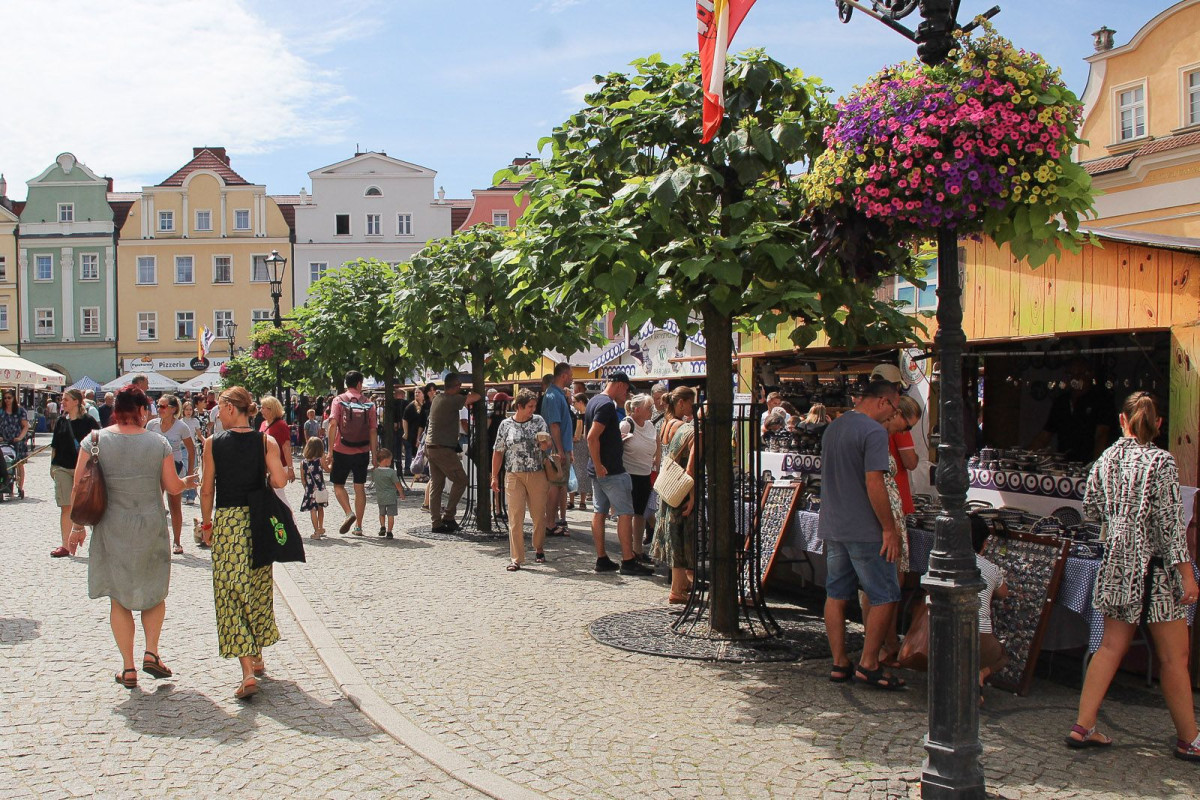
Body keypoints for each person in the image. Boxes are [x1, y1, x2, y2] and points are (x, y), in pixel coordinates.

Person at [1066, 392, 1200, 761]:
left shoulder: (1105, 458)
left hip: (1117, 565)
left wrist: (1120, 521)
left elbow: (1090, 510)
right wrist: (1188, 577)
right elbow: (1172, 528)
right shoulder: (1162, 462)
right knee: (1175, 657)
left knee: (1109, 647)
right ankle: (1188, 738)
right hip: (1154, 572)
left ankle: (1083, 724)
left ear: (1122, 421)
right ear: (1158, 425)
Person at [68, 385, 198, 689]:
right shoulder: (158, 443)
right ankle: (151, 651)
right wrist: (187, 481)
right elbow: (173, 486)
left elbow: (79, 487)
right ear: (141, 411)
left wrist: (76, 529)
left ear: (116, 410)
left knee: (119, 598)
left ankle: (128, 668)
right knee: (154, 592)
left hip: (111, 527)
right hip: (150, 525)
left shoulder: (95, 440)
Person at [198, 386, 288, 701]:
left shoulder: (212, 444)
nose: (217, 414)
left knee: (230, 593)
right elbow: (279, 481)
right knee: (258, 587)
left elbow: (206, 489)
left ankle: (248, 670)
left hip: (227, 522)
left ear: (232, 408)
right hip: (257, 519)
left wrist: (206, 524)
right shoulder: (267, 441)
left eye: (220, 408)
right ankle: (258, 653)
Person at [819, 378, 906, 690]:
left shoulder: (835, 427)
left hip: (834, 524)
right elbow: (874, 483)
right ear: (883, 401)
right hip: (864, 528)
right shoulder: (873, 431)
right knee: (885, 593)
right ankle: (869, 663)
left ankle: (840, 662)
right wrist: (888, 529)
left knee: (836, 593)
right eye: (894, 408)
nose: (893, 415)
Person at [861, 395, 923, 666]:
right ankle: (879, 649)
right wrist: (889, 527)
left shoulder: (875, 433)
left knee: (882, 586)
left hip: (886, 517)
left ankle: (880, 646)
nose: (904, 431)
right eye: (906, 425)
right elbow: (908, 463)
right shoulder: (880, 434)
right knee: (884, 586)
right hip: (886, 519)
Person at [586, 373, 653, 575]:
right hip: (610, 470)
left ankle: (602, 558)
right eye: (626, 389)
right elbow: (591, 437)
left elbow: (594, 436)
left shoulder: (594, 401)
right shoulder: (607, 404)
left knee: (600, 512)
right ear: (620, 385)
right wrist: (599, 464)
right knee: (626, 513)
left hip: (600, 469)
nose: (627, 393)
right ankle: (628, 560)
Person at [491, 389, 551, 571]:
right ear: (519, 406)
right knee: (515, 516)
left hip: (536, 473)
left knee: (538, 515)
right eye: (530, 406)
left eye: (534, 406)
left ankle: (538, 547)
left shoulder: (539, 421)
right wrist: (494, 476)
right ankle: (516, 558)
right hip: (513, 474)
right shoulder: (505, 425)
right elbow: (498, 451)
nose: (533, 409)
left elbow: (547, 445)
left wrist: (544, 444)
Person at [652, 387, 697, 601]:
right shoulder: (689, 430)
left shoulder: (666, 424)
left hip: (666, 486)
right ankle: (677, 590)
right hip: (680, 489)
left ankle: (681, 585)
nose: (692, 407)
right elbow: (691, 468)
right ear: (681, 403)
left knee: (671, 535)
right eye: (690, 403)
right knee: (680, 537)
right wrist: (693, 496)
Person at [323, 372, 378, 537]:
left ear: (346, 383)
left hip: (341, 449)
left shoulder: (338, 400)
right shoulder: (369, 403)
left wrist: (330, 450)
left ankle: (348, 513)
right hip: (362, 450)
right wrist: (374, 455)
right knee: (359, 487)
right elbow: (373, 431)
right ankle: (359, 527)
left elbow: (333, 424)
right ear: (360, 384)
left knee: (338, 485)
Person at [1030, 358, 1116, 462]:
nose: (1075, 379)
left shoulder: (1101, 400)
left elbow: (1102, 436)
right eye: (1071, 375)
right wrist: (1025, 456)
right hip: (1064, 465)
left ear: (1090, 375)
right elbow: (1044, 437)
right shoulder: (1061, 402)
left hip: (1088, 464)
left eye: (1080, 374)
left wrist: (1097, 467)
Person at [425, 373, 481, 533]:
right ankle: (448, 516)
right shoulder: (452, 400)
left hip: (431, 447)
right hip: (443, 448)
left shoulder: (437, 398)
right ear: (456, 386)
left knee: (437, 485)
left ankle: (436, 523)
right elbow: (476, 397)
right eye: (460, 386)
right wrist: (468, 391)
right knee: (461, 480)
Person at [48, 388, 99, 557]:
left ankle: (97, 544)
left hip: (84, 469)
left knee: (88, 505)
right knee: (66, 506)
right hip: (63, 467)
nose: (63, 403)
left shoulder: (89, 421)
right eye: (62, 400)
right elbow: (55, 445)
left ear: (76, 402)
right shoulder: (62, 421)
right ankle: (65, 546)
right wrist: (52, 466)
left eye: (66, 400)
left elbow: (98, 444)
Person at [146, 394, 196, 555]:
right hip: (155, 467)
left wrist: (189, 472)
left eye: (162, 406)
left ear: (173, 409)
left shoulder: (181, 427)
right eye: (158, 405)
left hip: (175, 466)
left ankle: (177, 541)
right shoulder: (152, 424)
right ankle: (155, 540)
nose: (159, 409)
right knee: (154, 506)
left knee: (174, 506)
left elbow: (191, 449)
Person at [972, 520, 1009, 702]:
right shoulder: (991, 568)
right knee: (1003, 654)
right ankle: (980, 674)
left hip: (937, 636)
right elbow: (1003, 593)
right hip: (979, 639)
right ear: (985, 542)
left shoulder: (939, 559)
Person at [620, 394, 658, 564]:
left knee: (641, 513)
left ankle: (638, 550)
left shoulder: (650, 425)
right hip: (629, 474)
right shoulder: (627, 424)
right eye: (648, 408)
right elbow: (616, 446)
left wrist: (656, 460)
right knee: (630, 514)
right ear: (637, 410)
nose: (652, 411)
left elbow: (657, 443)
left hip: (645, 473)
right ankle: (629, 552)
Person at [541, 362, 574, 538]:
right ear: (564, 376)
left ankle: (551, 522)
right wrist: (560, 450)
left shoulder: (557, 395)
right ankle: (550, 524)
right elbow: (554, 425)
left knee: (558, 485)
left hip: (560, 449)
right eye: (571, 374)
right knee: (555, 485)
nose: (572, 378)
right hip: (554, 451)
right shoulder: (553, 396)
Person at [258, 396, 295, 490]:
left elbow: (286, 447)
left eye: (263, 407)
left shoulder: (281, 425)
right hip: (266, 466)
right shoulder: (263, 424)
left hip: (279, 465)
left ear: (271, 409)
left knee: (278, 496)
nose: (260, 410)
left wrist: (290, 468)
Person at [1, 389, 30, 498]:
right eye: (5, 398)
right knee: (4, 461)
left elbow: (25, 426)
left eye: (9, 398)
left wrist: (20, 437)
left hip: (17, 440)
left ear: (14, 398)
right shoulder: (1, 410)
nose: (7, 400)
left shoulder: (20, 410)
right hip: (4, 440)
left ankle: (20, 487)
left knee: (19, 464)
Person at [373, 448, 406, 539]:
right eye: (390, 460)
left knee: (382, 513)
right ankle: (389, 531)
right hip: (391, 497)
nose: (391, 462)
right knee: (390, 515)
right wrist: (401, 493)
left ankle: (382, 526)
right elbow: (397, 484)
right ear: (386, 460)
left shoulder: (375, 472)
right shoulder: (391, 472)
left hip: (380, 496)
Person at [300, 437, 328, 539]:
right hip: (320, 488)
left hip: (310, 489)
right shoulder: (320, 460)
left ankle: (316, 531)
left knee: (313, 510)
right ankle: (321, 527)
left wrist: (306, 488)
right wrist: (331, 463)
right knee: (320, 508)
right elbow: (328, 470)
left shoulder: (303, 463)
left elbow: (303, 479)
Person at [570, 393, 592, 511]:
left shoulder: (589, 414)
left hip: (585, 444)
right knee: (574, 471)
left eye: (574, 402)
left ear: (581, 402)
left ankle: (582, 500)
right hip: (576, 444)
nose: (573, 404)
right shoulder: (575, 415)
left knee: (583, 472)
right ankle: (572, 500)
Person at [179, 401, 202, 505]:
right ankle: (183, 493)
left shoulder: (195, 421)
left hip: (192, 447)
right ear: (183, 410)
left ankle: (192, 495)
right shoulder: (180, 421)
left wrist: (205, 441)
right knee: (184, 470)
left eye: (190, 409)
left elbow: (199, 435)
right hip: (182, 447)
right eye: (186, 409)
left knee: (193, 470)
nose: (188, 412)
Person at [402, 387, 427, 477]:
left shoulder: (424, 406)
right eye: (416, 392)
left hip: (419, 433)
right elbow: (404, 419)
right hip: (411, 433)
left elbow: (422, 423)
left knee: (418, 453)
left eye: (419, 392)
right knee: (410, 452)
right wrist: (406, 432)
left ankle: (419, 470)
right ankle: (408, 469)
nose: (416, 394)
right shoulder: (411, 406)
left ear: (423, 394)